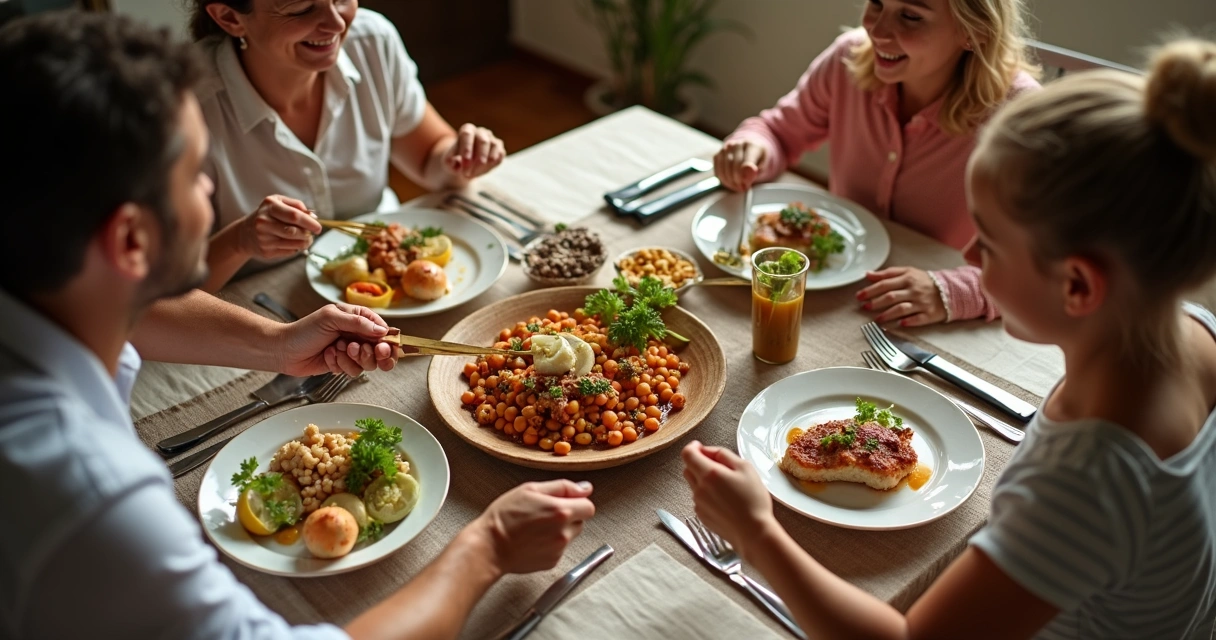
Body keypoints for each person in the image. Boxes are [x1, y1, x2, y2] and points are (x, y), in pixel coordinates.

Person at [0, 12, 594, 639]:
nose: (209, 189)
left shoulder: (43, 288)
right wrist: (489, 546)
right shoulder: (89, 492)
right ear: (130, 239)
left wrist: (280, 345)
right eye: (194, 176)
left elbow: (137, 315)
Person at [684, 38, 1216, 638]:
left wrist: (758, 535)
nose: (971, 264)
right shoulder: (1194, 328)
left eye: (986, 244)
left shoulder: (1087, 482)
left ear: (1077, 285)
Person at [716, 0, 1039, 326]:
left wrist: (951, 292)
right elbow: (778, 131)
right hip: (831, 294)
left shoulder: (1021, 117)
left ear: (974, 31)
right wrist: (752, 148)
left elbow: (1043, 272)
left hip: (933, 317)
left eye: (911, 16)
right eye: (876, 3)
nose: (877, 30)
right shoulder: (848, 56)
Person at [188, 0, 508, 291]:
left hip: (389, 279)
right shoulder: (182, 108)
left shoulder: (373, 41)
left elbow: (430, 158)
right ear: (230, 17)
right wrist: (239, 241)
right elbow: (161, 298)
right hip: (252, 300)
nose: (337, 23)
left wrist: (460, 158)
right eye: (302, 9)